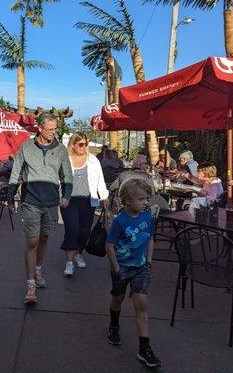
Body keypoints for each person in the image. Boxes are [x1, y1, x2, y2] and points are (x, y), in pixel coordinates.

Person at [7, 112, 73, 305]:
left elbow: (67, 177)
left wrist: (66, 197)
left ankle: (37, 269)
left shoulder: (60, 150)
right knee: (32, 241)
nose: (54, 132)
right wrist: (11, 198)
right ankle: (30, 286)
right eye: (50, 129)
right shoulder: (26, 148)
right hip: (31, 202)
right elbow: (15, 174)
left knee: (44, 238)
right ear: (40, 128)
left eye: (55, 129)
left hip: (52, 203)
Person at [106, 178, 161, 368]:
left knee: (141, 304)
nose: (146, 203)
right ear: (128, 201)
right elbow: (110, 246)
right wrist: (117, 269)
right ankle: (114, 324)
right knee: (118, 299)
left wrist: (149, 261)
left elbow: (150, 238)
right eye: (141, 199)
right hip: (122, 267)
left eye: (147, 199)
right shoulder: (120, 221)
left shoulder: (147, 217)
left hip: (141, 268)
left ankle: (144, 347)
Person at [60, 132, 109, 276]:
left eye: (86, 144)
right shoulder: (65, 160)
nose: (84, 147)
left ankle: (78, 253)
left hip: (88, 201)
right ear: (73, 145)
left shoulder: (93, 160)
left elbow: (100, 179)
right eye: (81, 144)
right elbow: (58, 180)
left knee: (84, 232)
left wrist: (104, 196)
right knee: (72, 230)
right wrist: (59, 196)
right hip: (69, 201)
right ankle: (69, 263)